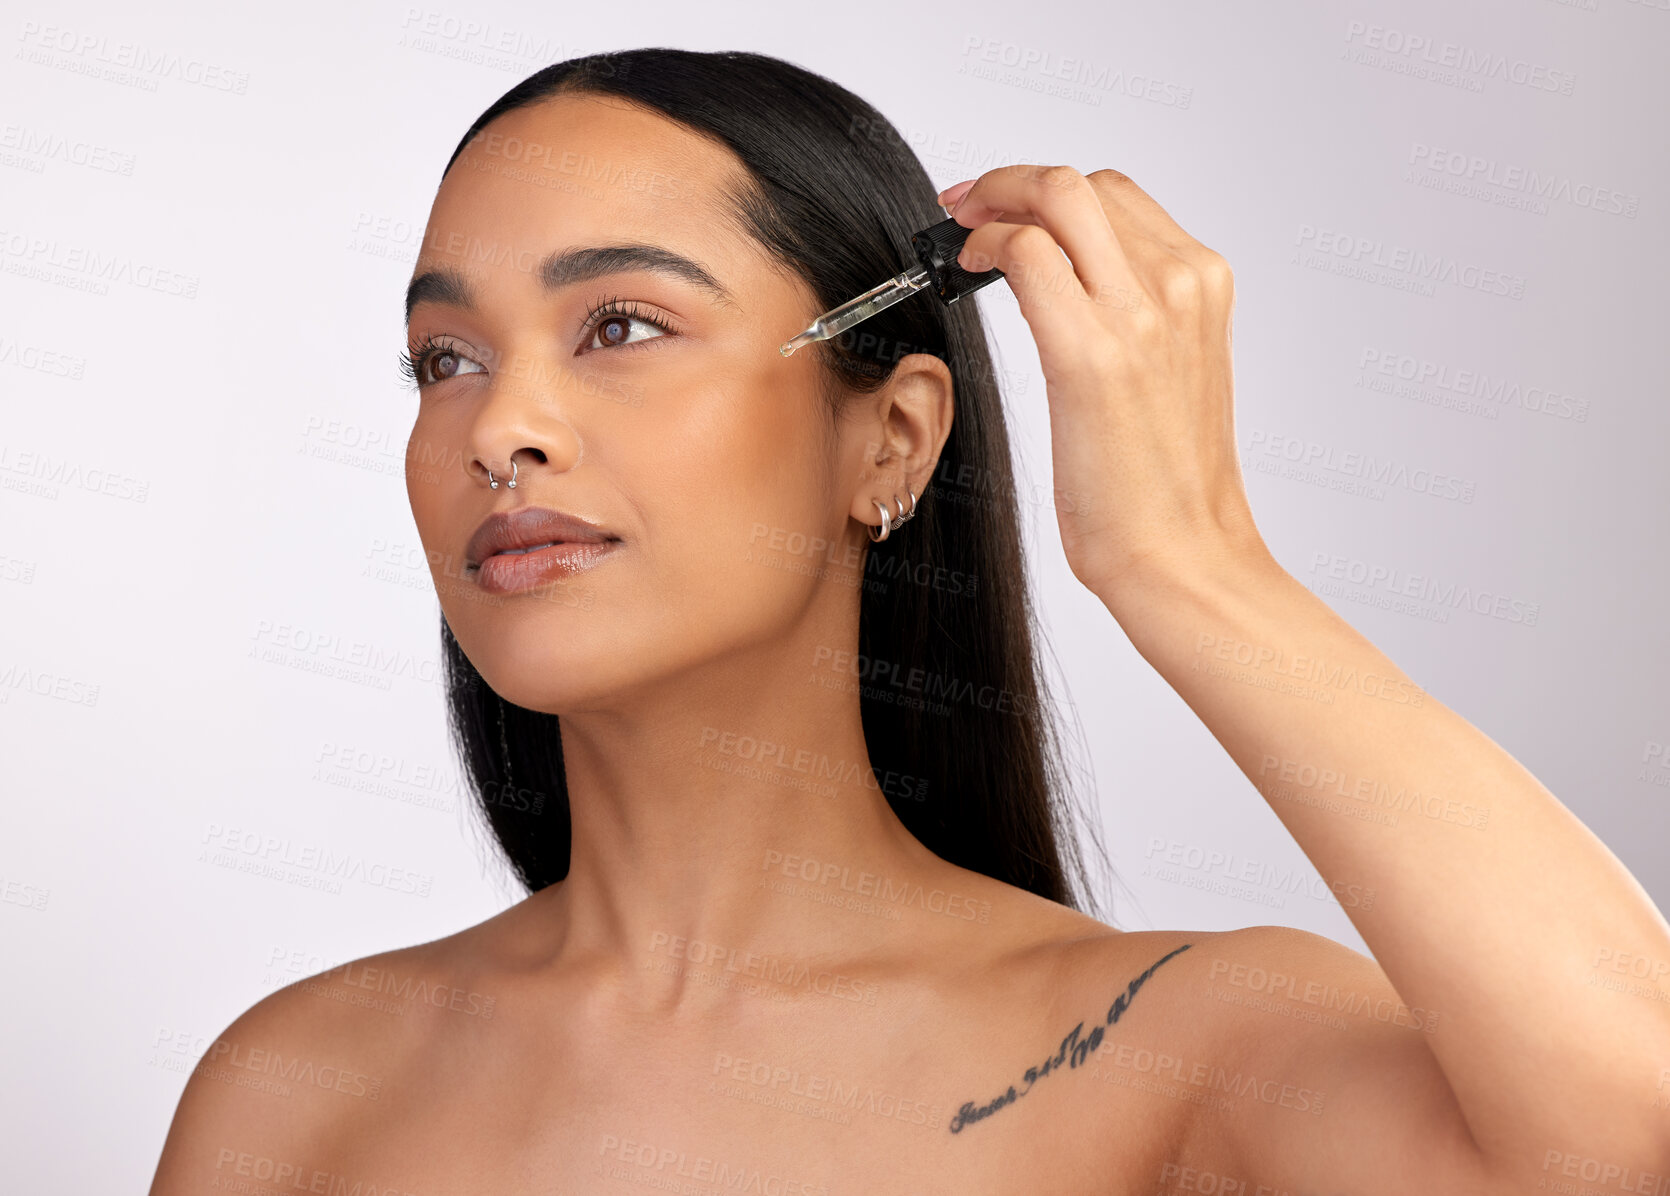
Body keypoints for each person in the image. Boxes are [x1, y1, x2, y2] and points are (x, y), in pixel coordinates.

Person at [148, 48, 1670, 1195]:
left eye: (618, 324)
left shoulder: (1172, 1052)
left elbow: (1630, 1135)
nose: (501, 426)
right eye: (444, 359)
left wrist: (1189, 560)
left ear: (892, 437)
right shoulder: (296, 1090)